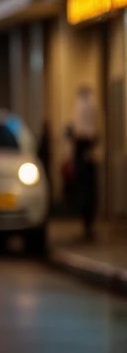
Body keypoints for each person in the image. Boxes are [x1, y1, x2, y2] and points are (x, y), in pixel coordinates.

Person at [71, 86, 99, 239]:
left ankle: (87, 223)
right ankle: (87, 223)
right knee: (86, 192)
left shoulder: (85, 104)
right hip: (85, 151)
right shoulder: (87, 103)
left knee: (87, 192)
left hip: (85, 150)